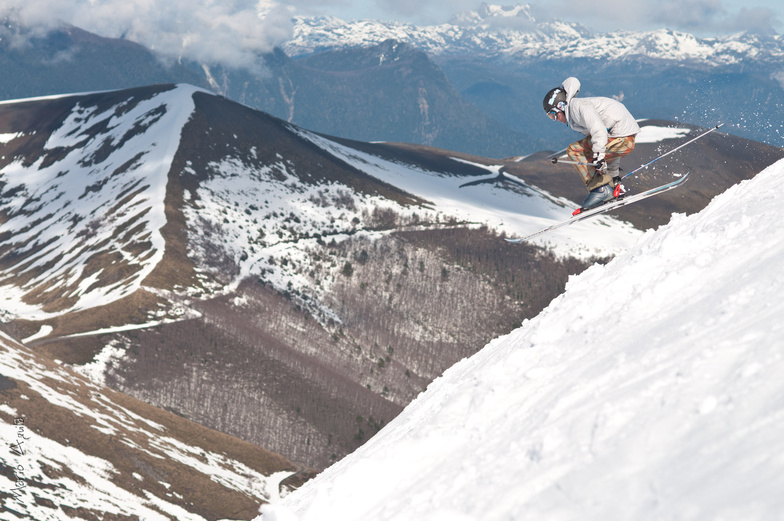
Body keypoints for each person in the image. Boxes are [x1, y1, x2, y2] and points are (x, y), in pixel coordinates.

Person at [543, 77, 640, 210]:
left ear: (561, 106)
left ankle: (600, 190)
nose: (555, 119)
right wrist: (613, 176)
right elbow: (606, 140)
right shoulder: (575, 109)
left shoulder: (577, 107)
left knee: (575, 151)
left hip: (623, 139)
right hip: (624, 138)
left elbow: (599, 131)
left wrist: (599, 156)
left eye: (554, 115)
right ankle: (608, 186)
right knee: (589, 150)